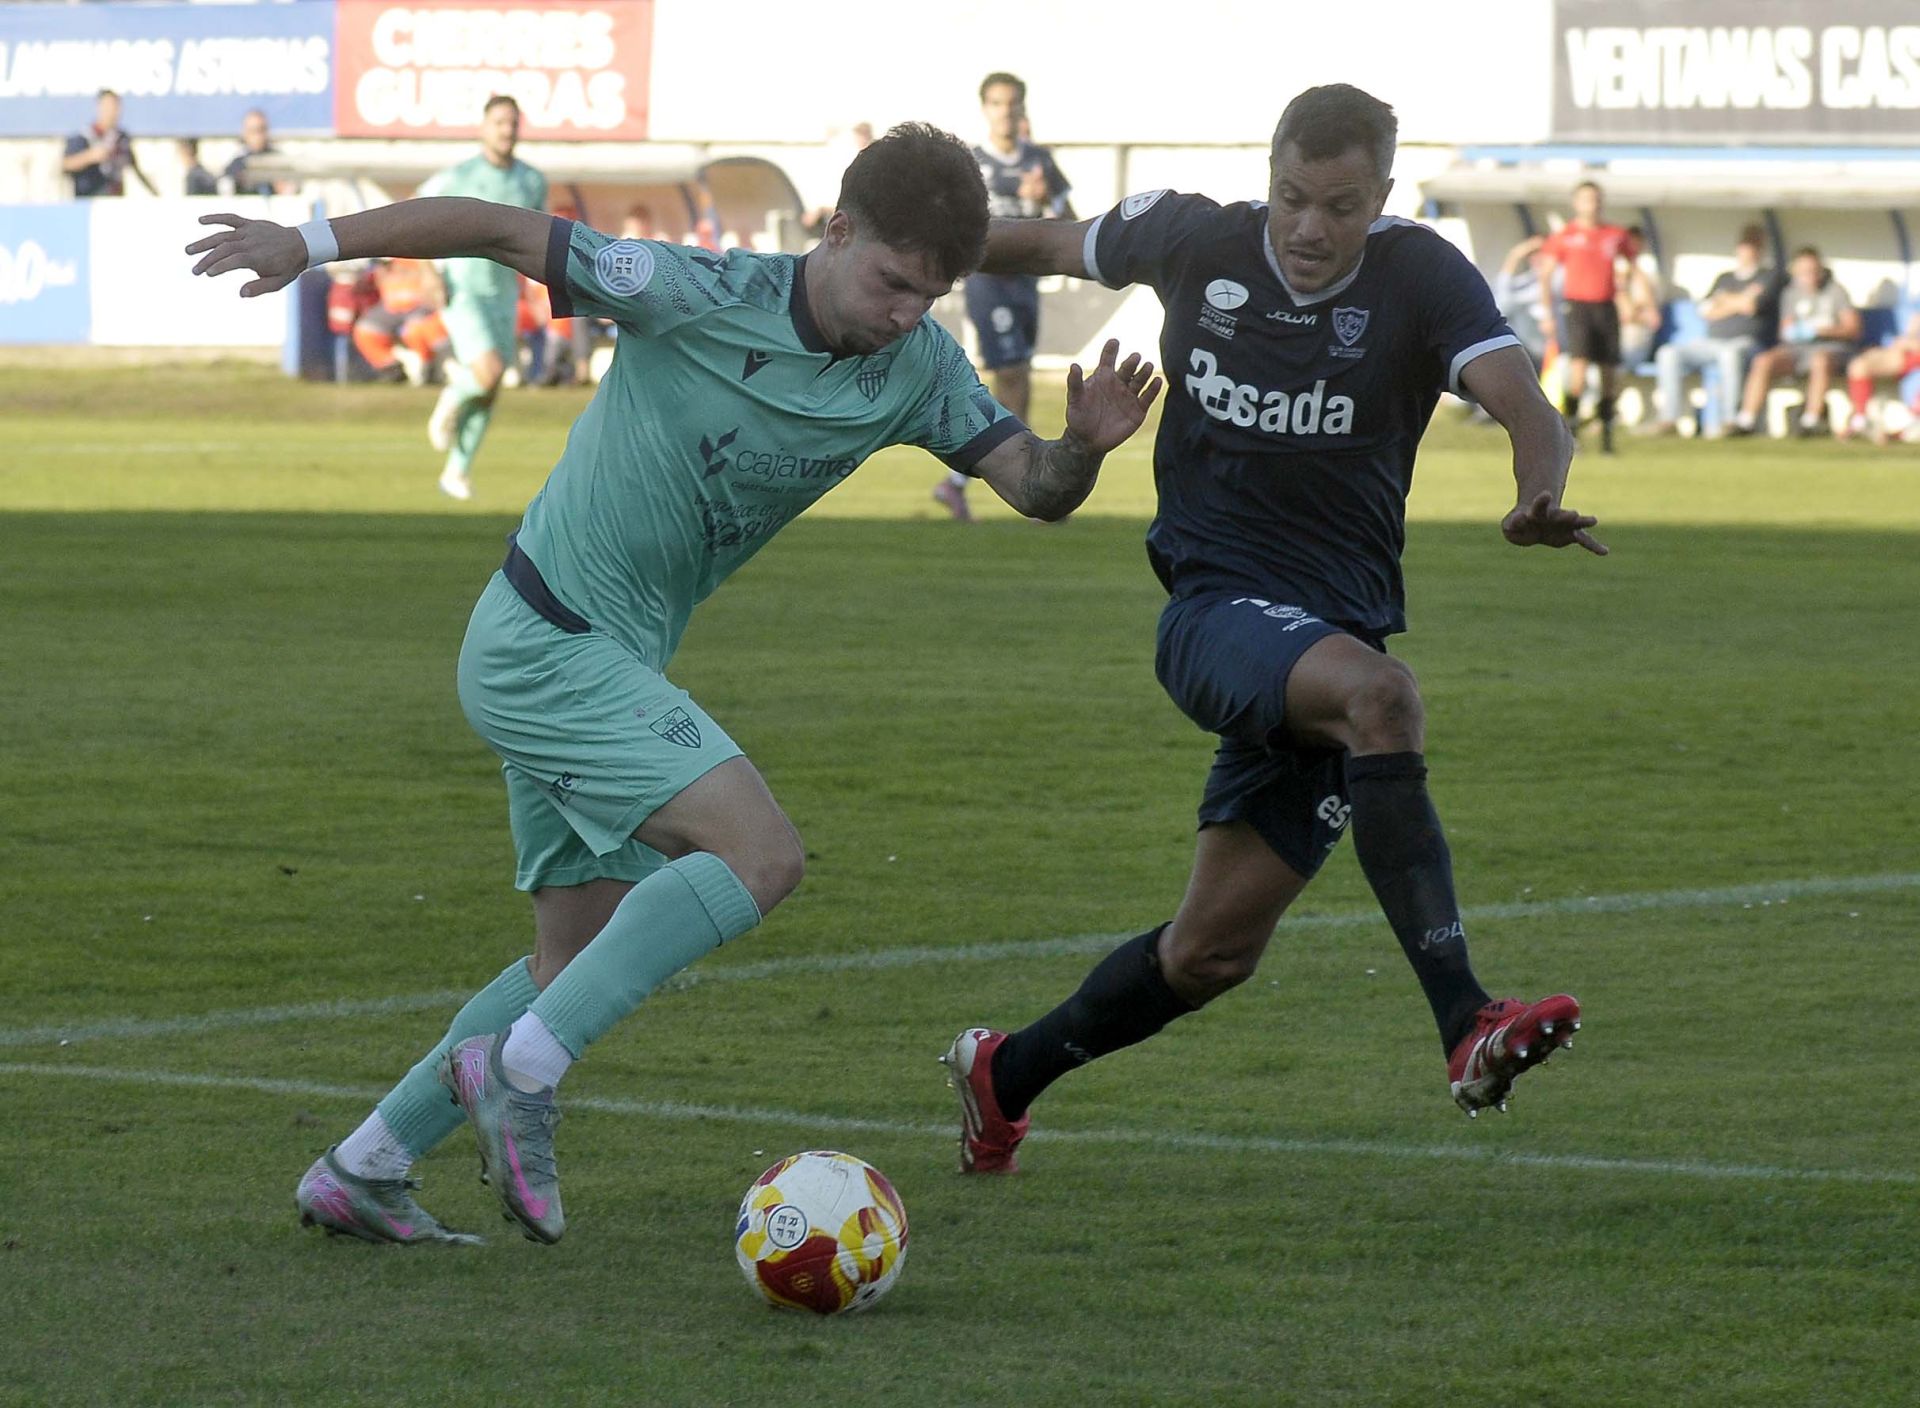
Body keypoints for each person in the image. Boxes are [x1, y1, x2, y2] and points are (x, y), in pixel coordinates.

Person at [186, 121, 1161, 1245]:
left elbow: (1035, 487)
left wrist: (1084, 447)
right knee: (761, 854)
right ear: (835, 229)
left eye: (930, 293)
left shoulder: (918, 368)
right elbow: (503, 228)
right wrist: (306, 242)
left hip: (603, 658)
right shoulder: (692, 288)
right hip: (545, 642)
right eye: (893, 280)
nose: (906, 311)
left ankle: (365, 1165)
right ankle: (523, 1074)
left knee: (571, 957)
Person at [939, 83, 1603, 1176]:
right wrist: (896, 249)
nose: (1309, 227)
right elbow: (1038, 239)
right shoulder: (1191, 238)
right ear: (1269, 178)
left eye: (1340, 207)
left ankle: (1001, 1078)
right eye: (1292, 197)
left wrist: (1538, 490)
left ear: (1381, 197)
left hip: (1321, 646)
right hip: (1214, 615)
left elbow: (1525, 400)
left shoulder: (1421, 275)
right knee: (1384, 698)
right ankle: (1466, 1023)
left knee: (1209, 954)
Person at [935, 72, 1074, 523]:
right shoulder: (971, 164)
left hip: (1027, 281)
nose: (1006, 112)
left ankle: (978, 483)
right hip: (988, 281)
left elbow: (1072, 220)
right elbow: (953, 224)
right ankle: (1023, 482)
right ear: (985, 108)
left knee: (1021, 376)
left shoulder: (1040, 162)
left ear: (1022, 107)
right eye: (996, 103)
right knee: (1010, 371)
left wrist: (1046, 197)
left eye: (1012, 103)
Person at [416, 95, 549, 501]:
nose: (506, 130)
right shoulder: (458, 176)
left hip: (504, 291)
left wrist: (538, 283)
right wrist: (427, 271)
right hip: (463, 286)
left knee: (491, 387)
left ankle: (456, 471)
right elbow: (416, 216)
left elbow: (539, 235)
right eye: (499, 122)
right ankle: (450, 398)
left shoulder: (532, 181)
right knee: (488, 370)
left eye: (512, 122)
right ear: (483, 127)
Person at [1641, 225, 1779, 437]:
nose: (1748, 251)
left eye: (1753, 246)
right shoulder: (1725, 278)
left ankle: (1730, 422)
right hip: (1711, 341)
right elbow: (1705, 310)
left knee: (1729, 355)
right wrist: (1739, 301)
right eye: (1745, 246)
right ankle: (1669, 420)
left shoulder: (1769, 276)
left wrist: (1724, 300)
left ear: (1760, 249)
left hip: (1747, 342)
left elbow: (1752, 307)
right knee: (1668, 353)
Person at [1534, 180, 1637, 453]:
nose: (1593, 204)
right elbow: (1545, 275)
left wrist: (1629, 299)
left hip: (1607, 307)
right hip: (1578, 307)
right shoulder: (1565, 236)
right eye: (1587, 199)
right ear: (1576, 203)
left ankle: (1607, 439)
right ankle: (1571, 432)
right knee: (1578, 370)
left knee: (1609, 374)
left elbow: (1630, 266)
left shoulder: (1615, 234)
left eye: (1597, 199)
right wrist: (1547, 312)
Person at [1730, 248, 1859, 438]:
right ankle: (1746, 420)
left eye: (1813, 271)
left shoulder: (1835, 291)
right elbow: (1785, 329)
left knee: (1820, 360)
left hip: (1829, 349)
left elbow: (1853, 328)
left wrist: (1820, 331)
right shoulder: (1791, 293)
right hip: (1797, 349)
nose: (1810, 276)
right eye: (1804, 272)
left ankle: (1811, 421)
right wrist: (1794, 332)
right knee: (1763, 361)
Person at [1838, 310, 1920, 444]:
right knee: (1860, 365)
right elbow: (1913, 328)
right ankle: (1860, 420)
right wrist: (1905, 342)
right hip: (1909, 354)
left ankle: (1909, 429)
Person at [62, 89, 156, 199]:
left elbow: (135, 168)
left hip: (114, 199)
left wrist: (155, 194)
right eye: (107, 106)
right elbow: (65, 164)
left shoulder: (122, 138)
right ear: (99, 107)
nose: (111, 111)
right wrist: (90, 156)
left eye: (115, 106)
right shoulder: (84, 136)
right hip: (89, 199)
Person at [223, 108, 292, 197]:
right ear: (245, 133)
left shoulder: (279, 161)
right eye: (252, 131)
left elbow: (291, 189)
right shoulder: (237, 164)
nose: (257, 136)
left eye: (260, 130)